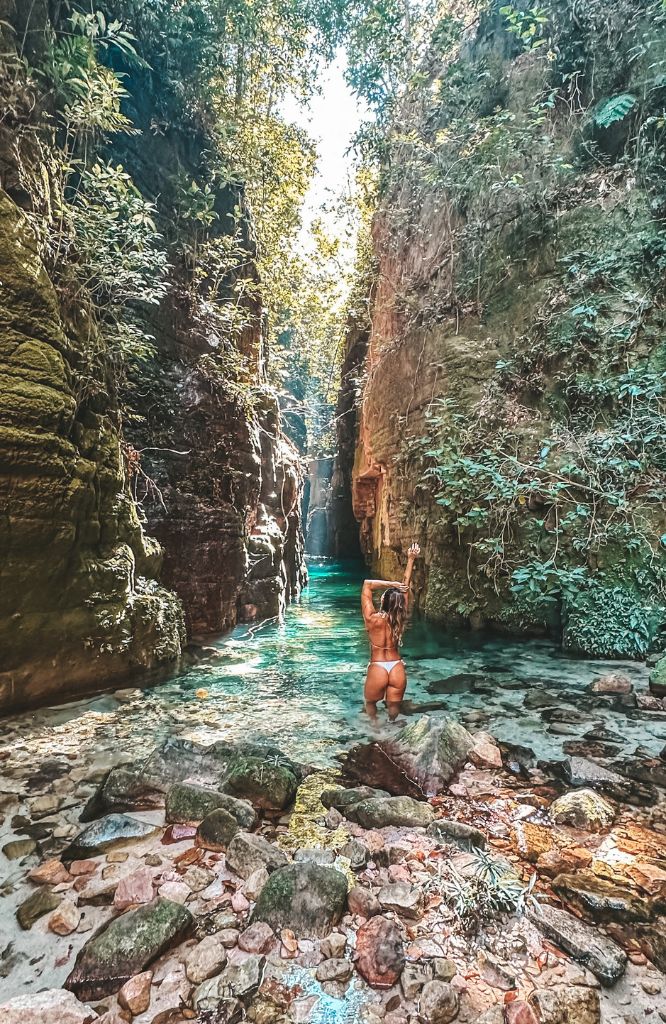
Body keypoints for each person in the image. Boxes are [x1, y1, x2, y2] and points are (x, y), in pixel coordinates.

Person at [361, 542, 420, 722]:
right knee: (394, 707)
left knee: (370, 703)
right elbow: (405, 587)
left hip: (378, 667)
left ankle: (376, 730)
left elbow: (367, 584)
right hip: (396, 667)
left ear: (383, 601)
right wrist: (411, 559)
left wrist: (391, 584)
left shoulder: (372, 619)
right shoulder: (399, 619)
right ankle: (391, 727)